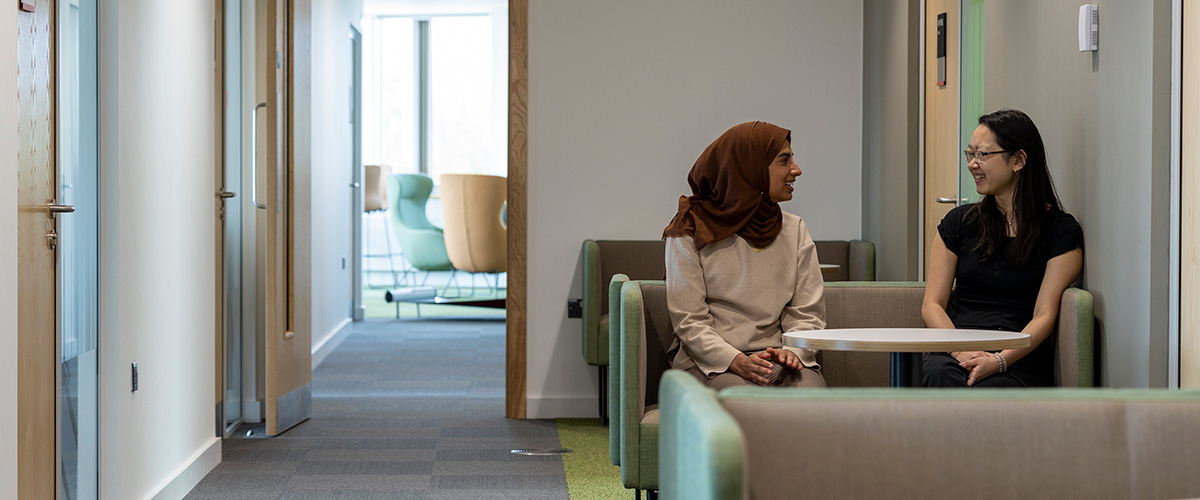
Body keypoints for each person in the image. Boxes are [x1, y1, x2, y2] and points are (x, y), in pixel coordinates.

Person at [922, 109, 1084, 388]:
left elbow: (1044, 315)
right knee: (941, 376)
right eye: (970, 154)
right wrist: (962, 351)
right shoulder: (957, 223)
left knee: (991, 390)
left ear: (1018, 160)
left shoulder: (1061, 231)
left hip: (1020, 358)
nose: (973, 164)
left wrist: (999, 360)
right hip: (956, 352)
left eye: (982, 155)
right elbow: (932, 305)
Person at [663, 121, 826, 390]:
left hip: (779, 358)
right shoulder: (689, 230)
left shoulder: (795, 229)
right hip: (712, 363)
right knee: (745, 402)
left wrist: (793, 352)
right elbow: (689, 321)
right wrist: (736, 360)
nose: (796, 170)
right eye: (784, 160)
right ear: (750, 169)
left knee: (812, 397)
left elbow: (808, 313)